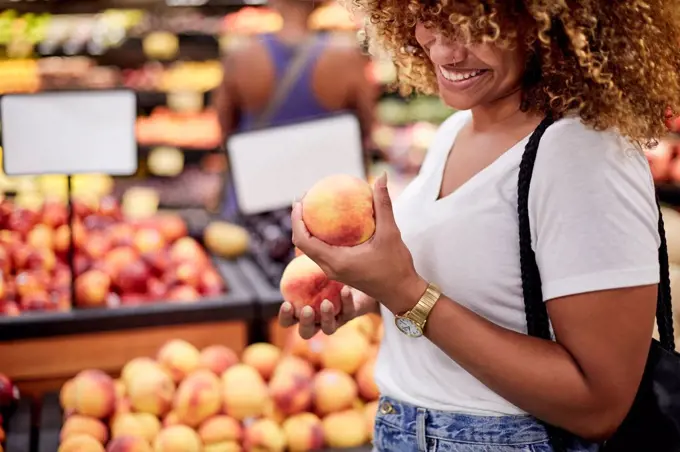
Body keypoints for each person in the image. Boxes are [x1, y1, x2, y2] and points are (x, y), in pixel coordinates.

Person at [278, 1, 680, 450]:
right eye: (430, 17)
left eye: (476, 27)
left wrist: (404, 293)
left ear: (546, 23)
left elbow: (598, 406)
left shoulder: (583, 155)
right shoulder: (454, 131)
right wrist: (364, 290)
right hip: (401, 428)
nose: (446, 51)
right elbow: (477, 288)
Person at [213, 0, 376, 219]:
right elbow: (366, 125)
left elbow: (225, 128)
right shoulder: (346, 57)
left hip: (257, 198)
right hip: (326, 203)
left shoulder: (241, 56)